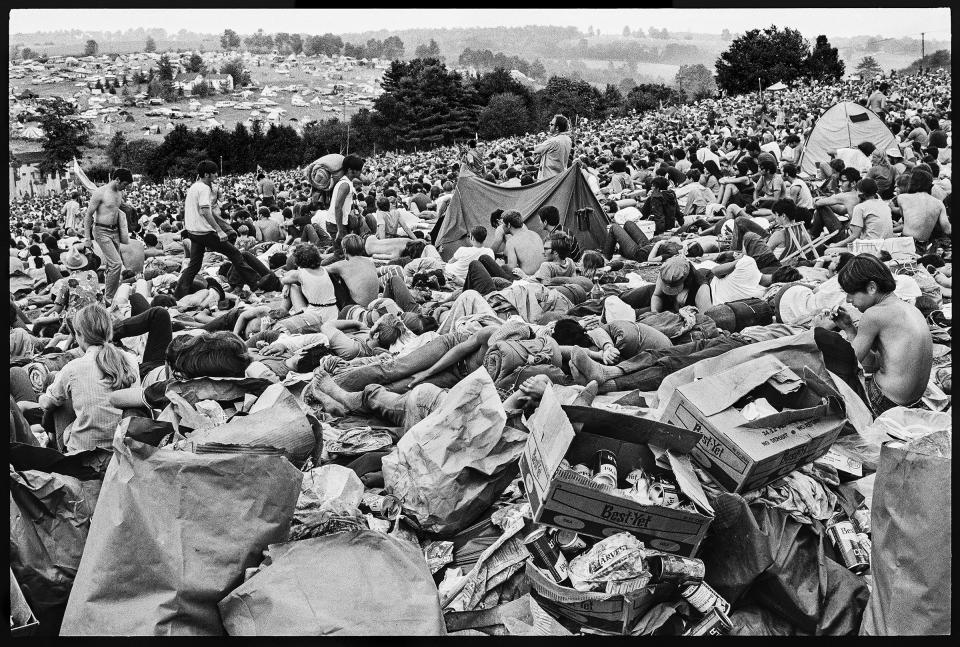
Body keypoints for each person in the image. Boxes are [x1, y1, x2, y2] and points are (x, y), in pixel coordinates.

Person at [819, 254, 932, 415]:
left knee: (828, 388)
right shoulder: (909, 309)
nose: (848, 300)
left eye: (851, 293)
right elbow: (875, 362)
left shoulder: (873, 315)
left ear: (872, 288)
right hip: (912, 401)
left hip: (885, 401)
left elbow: (848, 364)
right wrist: (849, 328)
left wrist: (821, 331)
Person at [38, 304, 140, 453]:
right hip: (122, 448)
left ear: (80, 335)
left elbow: (47, 404)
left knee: (56, 388)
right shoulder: (130, 360)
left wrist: (41, 397)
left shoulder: (73, 367)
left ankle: (54, 446)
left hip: (83, 453)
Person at [175, 160, 260, 298]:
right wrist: (219, 230)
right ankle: (256, 283)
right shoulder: (204, 188)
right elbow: (205, 211)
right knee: (235, 254)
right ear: (207, 174)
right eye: (214, 173)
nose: (216, 175)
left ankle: (180, 293)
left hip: (194, 232)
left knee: (194, 265)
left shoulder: (194, 187)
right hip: (204, 232)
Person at [82, 167, 132, 306]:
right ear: (117, 179)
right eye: (124, 184)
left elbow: (115, 208)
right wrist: (87, 238)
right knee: (117, 264)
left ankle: (112, 294)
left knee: (112, 266)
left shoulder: (119, 193)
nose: (125, 187)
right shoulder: (100, 192)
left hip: (115, 231)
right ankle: (109, 298)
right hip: (101, 231)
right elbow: (88, 216)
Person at [323, 234, 380, 307]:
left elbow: (322, 270)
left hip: (356, 306)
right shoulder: (370, 261)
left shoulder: (342, 265)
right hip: (373, 304)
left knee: (330, 274)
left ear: (344, 250)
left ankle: (334, 305)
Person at [834, 178, 893, 246]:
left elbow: (854, 236)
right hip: (886, 246)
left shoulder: (860, 207)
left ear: (860, 193)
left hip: (870, 247)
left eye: (857, 191)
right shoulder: (884, 204)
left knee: (828, 251)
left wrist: (836, 245)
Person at [324, 154, 366, 248]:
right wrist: (340, 229)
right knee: (341, 255)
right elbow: (337, 206)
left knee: (344, 253)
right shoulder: (345, 185)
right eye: (359, 170)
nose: (361, 172)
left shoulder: (348, 182)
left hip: (339, 223)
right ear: (351, 170)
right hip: (335, 224)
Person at [502, 210, 545, 276]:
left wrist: (501, 265)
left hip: (527, 279)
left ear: (509, 225)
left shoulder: (511, 242)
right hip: (542, 275)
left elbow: (511, 268)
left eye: (503, 224)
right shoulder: (535, 234)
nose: (502, 227)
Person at [534, 114, 572, 181]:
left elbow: (537, 149)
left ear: (557, 128)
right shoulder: (568, 139)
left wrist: (543, 138)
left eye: (551, 124)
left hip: (548, 179)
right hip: (560, 177)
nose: (549, 126)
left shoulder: (553, 141)